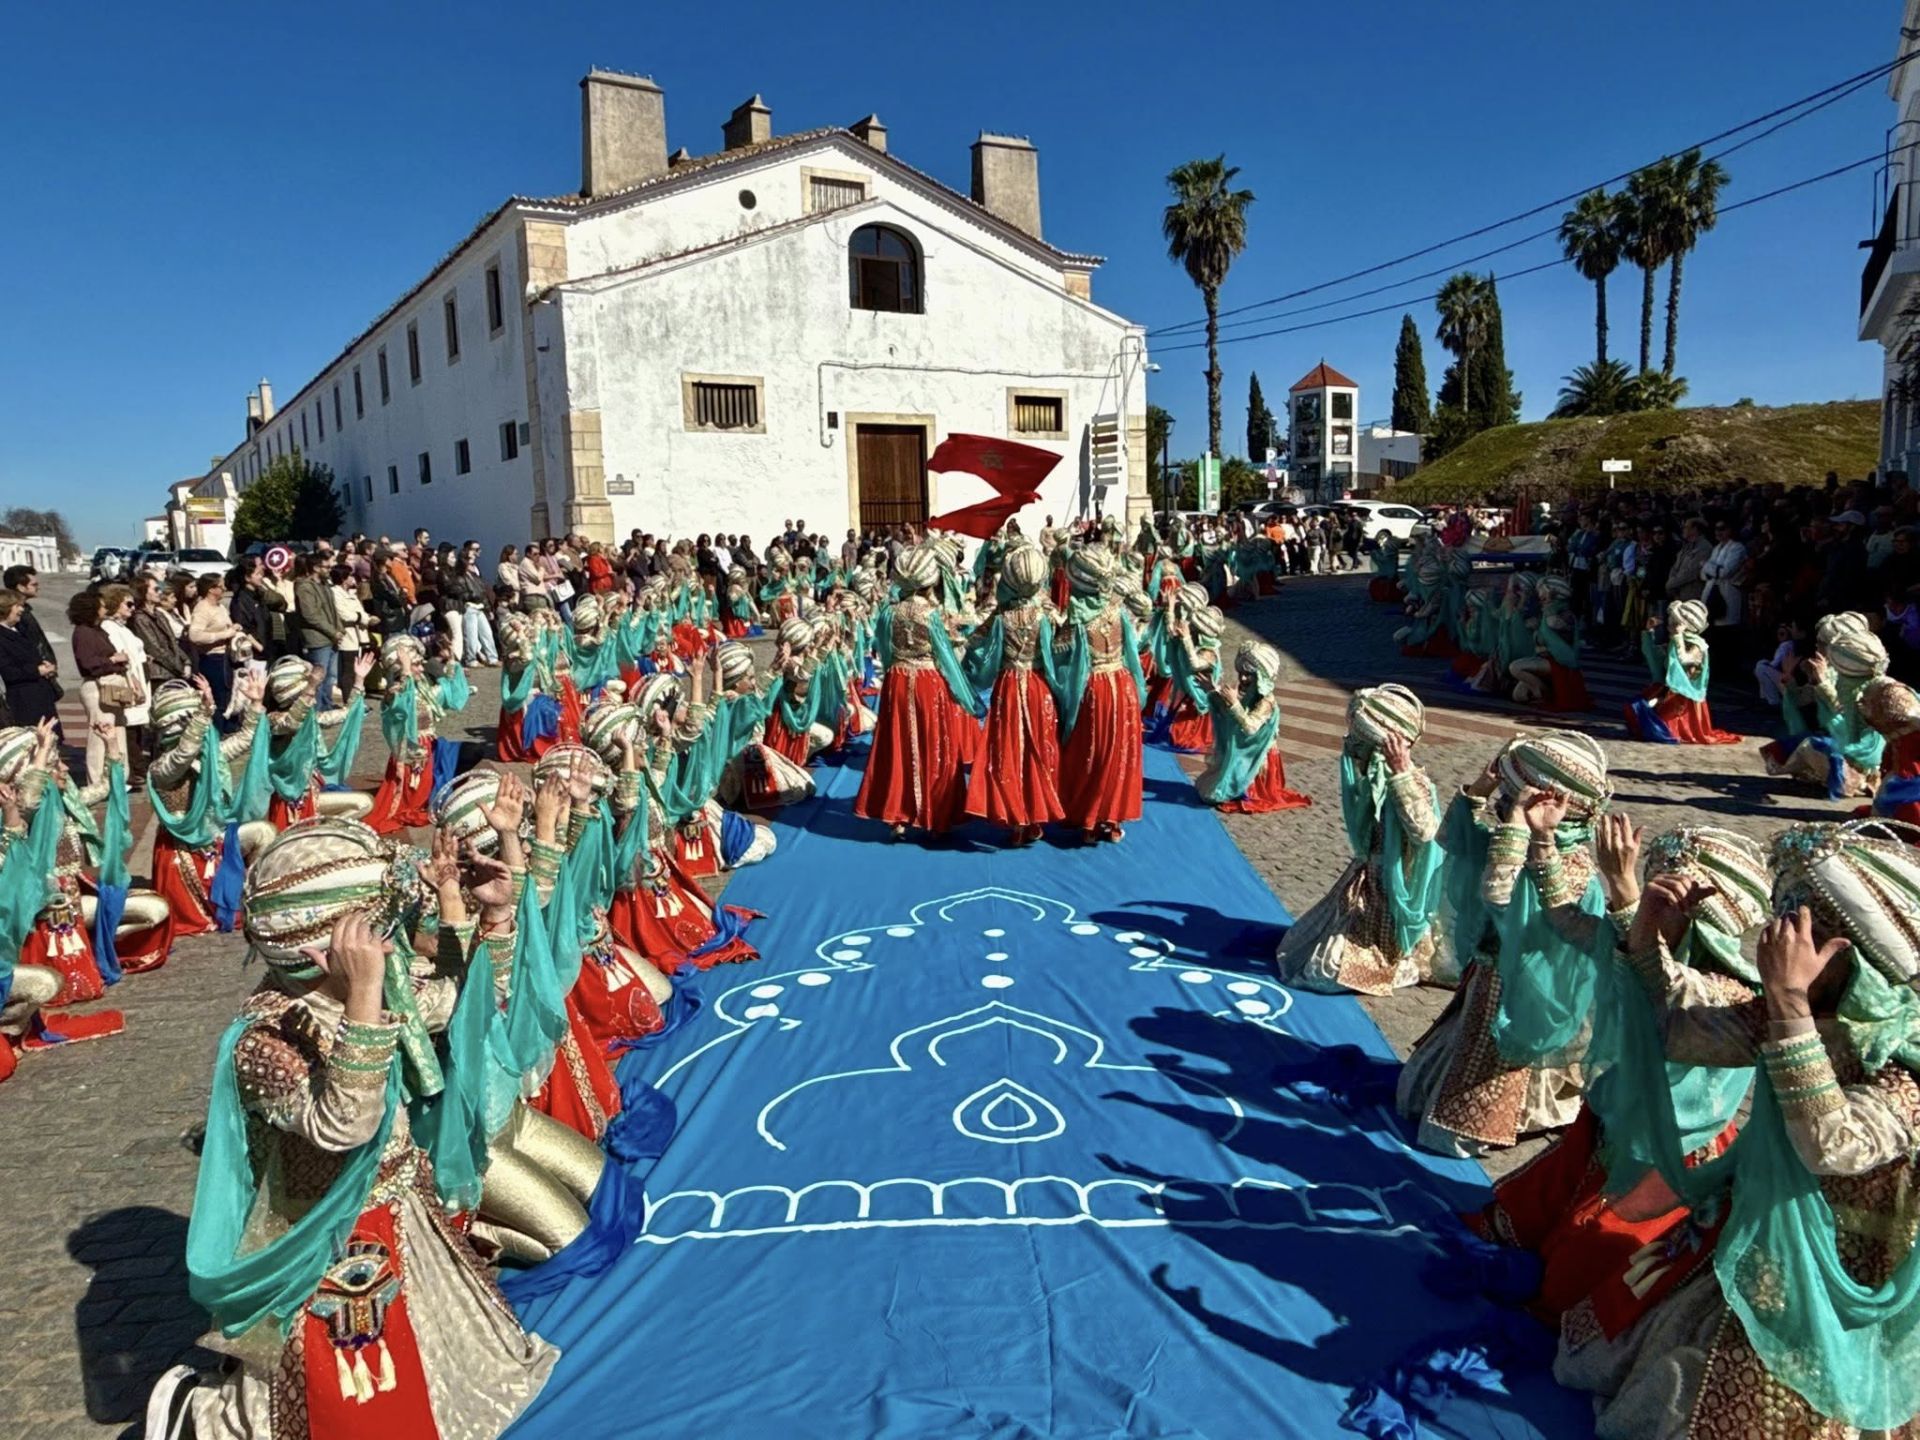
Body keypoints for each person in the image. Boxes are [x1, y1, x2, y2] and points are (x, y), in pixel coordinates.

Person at [154, 820, 559, 1440]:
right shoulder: (265, 1040)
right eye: (377, 935)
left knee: (467, 1382)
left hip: (401, 1209)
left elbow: (472, 1006)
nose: (393, 948)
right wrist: (367, 992)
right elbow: (344, 1123)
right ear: (324, 950)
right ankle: (198, 1415)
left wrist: (494, 918)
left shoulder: (367, 990)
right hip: (328, 1244)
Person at [1555, 819, 1920, 1439]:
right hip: (1766, 1231)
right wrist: (1642, 927)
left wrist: (1791, 1005)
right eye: (1786, 918)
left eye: (1804, 930)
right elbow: (1678, 1026)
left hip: (1850, 1271)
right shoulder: (1796, 1009)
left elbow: (1830, 1143)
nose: (1778, 940)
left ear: (1855, 956)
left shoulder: (1902, 1057)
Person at [1395, 732, 1608, 1158]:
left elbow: (1500, 894)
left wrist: (1519, 831)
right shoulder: (1521, 840)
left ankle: (1516, 1114)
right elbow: (1455, 838)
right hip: (1492, 974)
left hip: (1523, 992)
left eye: (1511, 798)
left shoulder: (1570, 866)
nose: (1504, 806)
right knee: (1415, 1094)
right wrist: (1480, 790)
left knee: (1455, 1124)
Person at [1277, 685, 1442, 995]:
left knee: (1324, 970)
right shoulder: (1376, 779)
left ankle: (1399, 961)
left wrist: (1402, 772)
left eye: (1357, 738)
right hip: (1365, 883)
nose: (1348, 743)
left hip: (1390, 893)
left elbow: (1426, 833)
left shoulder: (1411, 781)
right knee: (1302, 947)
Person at [854, 544, 983, 840]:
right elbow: (944, 656)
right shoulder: (930, 614)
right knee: (934, 743)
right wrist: (963, 692)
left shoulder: (890, 612)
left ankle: (897, 816)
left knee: (897, 745)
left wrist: (897, 669)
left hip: (898, 680)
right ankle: (936, 815)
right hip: (928, 681)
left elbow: (884, 651)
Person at [961, 544, 1064, 846]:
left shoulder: (1001, 617)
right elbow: (1050, 655)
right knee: (1037, 748)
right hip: (1035, 685)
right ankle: (1033, 813)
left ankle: (1015, 817)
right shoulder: (1044, 616)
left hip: (1007, 685)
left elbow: (977, 642)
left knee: (1008, 748)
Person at [1054, 545, 1146, 845]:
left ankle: (1090, 820)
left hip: (1096, 689)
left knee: (1092, 752)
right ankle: (1113, 818)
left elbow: (1061, 658)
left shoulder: (1078, 618)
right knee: (1119, 753)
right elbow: (1134, 651)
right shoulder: (1118, 611)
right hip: (1123, 683)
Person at [1193, 640, 1312, 813]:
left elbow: (1249, 727)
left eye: (1248, 674)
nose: (1242, 678)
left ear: (1261, 676)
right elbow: (1231, 717)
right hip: (1247, 753)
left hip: (1259, 758)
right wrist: (1213, 692)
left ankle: (1247, 790)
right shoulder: (1251, 695)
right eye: (1240, 673)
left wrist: (1234, 703)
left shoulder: (1266, 702)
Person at [1625, 599, 1741, 745]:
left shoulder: (1698, 645)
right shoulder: (1674, 640)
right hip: (1669, 689)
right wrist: (1649, 632)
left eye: (1674, 621)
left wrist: (1678, 637)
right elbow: (1658, 658)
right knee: (1635, 708)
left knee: (1661, 728)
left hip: (1685, 696)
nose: (1670, 623)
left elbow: (1685, 659)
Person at [70, 589, 134, 788]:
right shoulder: (83, 632)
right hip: (97, 686)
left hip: (112, 683)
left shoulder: (98, 630)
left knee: (118, 731)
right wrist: (114, 659)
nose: (105, 608)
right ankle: (96, 781)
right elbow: (88, 663)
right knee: (99, 735)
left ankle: (119, 776)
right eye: (102, 605)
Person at [0, 572, 60, 729]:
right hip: (25, 700)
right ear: (6, 608)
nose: (21, 609)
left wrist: (46, 667)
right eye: (17, 606)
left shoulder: (16, 630)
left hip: (39, 694)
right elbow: (9, 671)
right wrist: (37, 670)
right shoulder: (3, 636)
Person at [292, 553, 344, 709]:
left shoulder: (324, 585)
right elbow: (310, 615)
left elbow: (332, 610)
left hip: (331, 637)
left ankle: (326, 706)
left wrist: (339, 628)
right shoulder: (304, 587)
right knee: (318, 677)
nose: (329, 570)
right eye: (326, 567)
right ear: (315, 567)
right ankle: (317, 709)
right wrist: (332, 631)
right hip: (317, 638)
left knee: (330, 677)